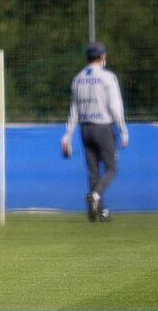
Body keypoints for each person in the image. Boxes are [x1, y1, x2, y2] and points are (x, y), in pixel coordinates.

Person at [61, 42, 128, 222]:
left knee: (93, 172)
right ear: (102, 56)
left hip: (85, 129)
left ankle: (101, 211)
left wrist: (68, 134)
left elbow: (74, 109)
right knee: (111, 168)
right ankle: (96, 196)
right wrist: (123, 130)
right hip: (103, 127)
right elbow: (115, 105)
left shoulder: (78, 78)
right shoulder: (108, 77)